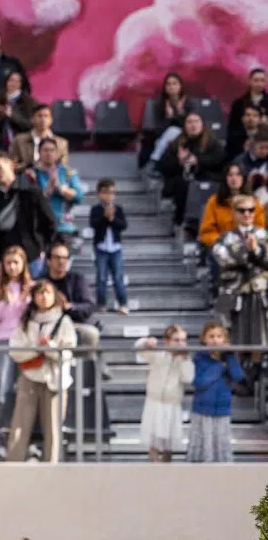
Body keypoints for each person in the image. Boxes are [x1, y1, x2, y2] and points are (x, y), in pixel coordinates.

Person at [5, 281, 77, 463]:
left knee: (53, 427)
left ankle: (52, 467)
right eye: (40, 293)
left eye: (47, 293)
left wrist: (49, 347)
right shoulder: (26, 321)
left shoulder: (64, 321)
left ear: (54, 296)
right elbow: (15, 350)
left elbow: (68, 352)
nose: (44, 297)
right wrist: (36, 349)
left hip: (55, 381)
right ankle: (13, 464)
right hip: (30, 376)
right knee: (20, 425)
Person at [0, 156, 56, 273]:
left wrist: (43, 249)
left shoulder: (31, 192)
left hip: (32, 257)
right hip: (4, 258)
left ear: (11, 165)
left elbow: (50, 222)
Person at [212, 194, 268, 347]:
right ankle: (236, 367)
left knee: (260, 335)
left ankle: (257, 367)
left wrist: (257, 250)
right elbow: (222, 257)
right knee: (233, 335)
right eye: (242, 210)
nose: (247, 214)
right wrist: (248, 254)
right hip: (234, 292)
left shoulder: (264, 235)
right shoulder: (224, 237)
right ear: (234, 212)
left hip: (260, 292)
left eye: (251, 210)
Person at [188, 321, 243, 462]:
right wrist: (219, 367)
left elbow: (237, 376)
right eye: (211, 336)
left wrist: (230, 356)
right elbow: (200, 382)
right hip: (202, 410)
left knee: (221, 446)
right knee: (204, 447)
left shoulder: (229, 358)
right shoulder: (199, 358)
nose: (215, 340)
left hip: (222, 409)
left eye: (219, 336)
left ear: (225, 339)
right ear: (204, 339)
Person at [135, 325, 192, 461]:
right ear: (167, 341)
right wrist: (146, 342)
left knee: (169, 441)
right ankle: (154, 466)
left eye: (183, 340)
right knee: (153, 440)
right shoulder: (157, 354)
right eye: (176, 340)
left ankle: (167, 467)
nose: (180, 344)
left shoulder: (186, 359)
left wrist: (184, 360)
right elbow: (139, 350)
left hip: (172, 403)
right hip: (154, 401)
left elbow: (188, 378)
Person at [28, 138, 83, 240]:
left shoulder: (68, 173)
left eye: (52, 150)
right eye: (45, 150)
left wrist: (60, 188)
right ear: (39, 153)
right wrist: (48, 189)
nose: (49, 153)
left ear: (57, 153)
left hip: (64, 226)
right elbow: (29, 201)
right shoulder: (32, 174)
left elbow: (79, 197)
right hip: (40, 227)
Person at [89, 178, 129, 313]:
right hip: (101, 248)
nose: (108, 196)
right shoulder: (95, 209)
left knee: (118, 276)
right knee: (101, 277)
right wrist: (105, 217)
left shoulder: (118, 209)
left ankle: (122, 303)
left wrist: (112, 218)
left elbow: (123, 226)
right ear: (99, 194)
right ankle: (101, 303)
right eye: (105, 192)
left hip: (115, 248)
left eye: (111, 193)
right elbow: (94, 225)